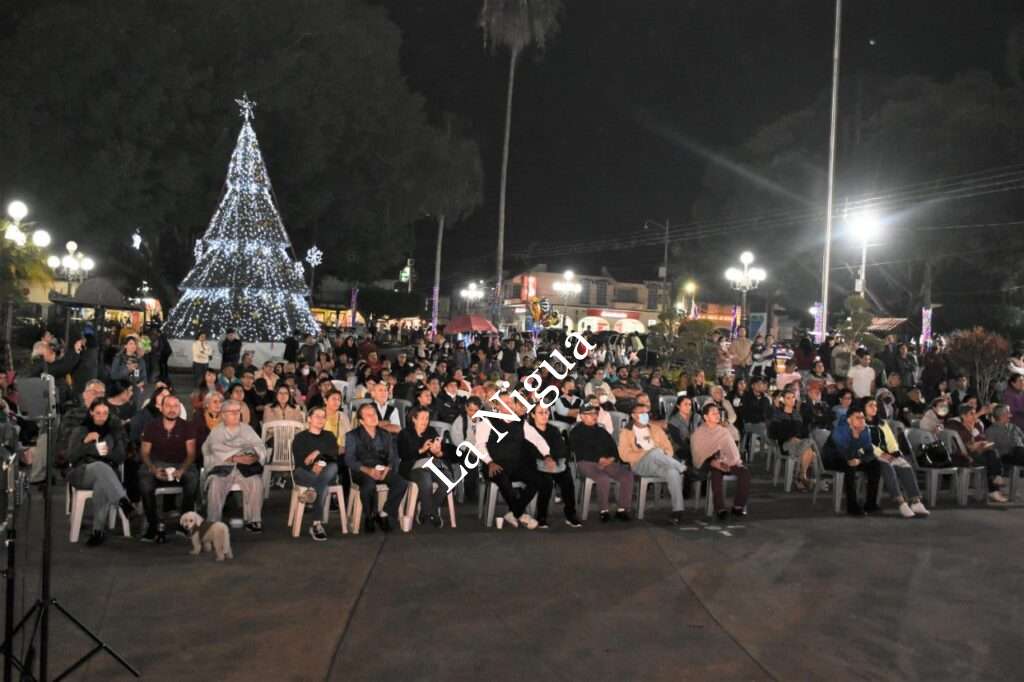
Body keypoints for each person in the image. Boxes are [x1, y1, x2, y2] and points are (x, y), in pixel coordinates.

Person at [67, 399, 135, 546]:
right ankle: (123, 501)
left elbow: (121, 457)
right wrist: (85, 442)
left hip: (108, 474)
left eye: (105, 413)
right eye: (98, 413)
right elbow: (71, 457)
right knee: (99, 466)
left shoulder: (114, 432)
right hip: (82, 472)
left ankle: (98, 532)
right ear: (91, 412)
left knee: (101, 482)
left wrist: (108, 453)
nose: (101, 417)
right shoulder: (80, 430)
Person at [471, 394, 544, 530]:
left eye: (510, 402)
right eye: (504, 402)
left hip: (515, 465)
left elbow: (537, 439)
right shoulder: (487, 421)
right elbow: (479, 445)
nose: (508, 405)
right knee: (502, 477)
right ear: (497, 406)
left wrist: (547, 455)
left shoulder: (520, 422)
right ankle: (521, 514)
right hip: (493, 465)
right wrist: (489, 462)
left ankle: (514, 512)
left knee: (538, 479)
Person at [139, 395, 199, 542]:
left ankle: (184, 524)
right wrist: (153, 469)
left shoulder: (187, 426)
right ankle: (153, 525)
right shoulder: (151, 426)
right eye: (168, 406)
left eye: (175, 406)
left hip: (180, 463)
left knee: (192, 479)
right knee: (145, 482)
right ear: (161, 408)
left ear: (179, 408)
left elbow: (191, 454)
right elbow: (145, 453)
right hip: (157, 463)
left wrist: (182, 470)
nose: (172, 409)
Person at [202, 399, 267, 532]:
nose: (236, 414)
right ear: (223, 415)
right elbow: (214, 449)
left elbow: (259, 446)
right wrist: (236, 457)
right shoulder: (217, 431)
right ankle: (213, 522)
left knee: (256, 482)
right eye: (232, 412)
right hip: (223, 467)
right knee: (215, 484)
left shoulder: (247, 429)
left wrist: (255, 456)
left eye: (238, 411)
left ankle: (254, 520)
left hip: (245, 468)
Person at [617, 402, 686, 524]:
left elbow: (669, 449)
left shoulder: (656, 429)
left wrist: (661, 454)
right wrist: (645, 453)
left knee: (672, 472)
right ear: (633, 416)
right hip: (639, 464)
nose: (645, 415)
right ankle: (682, 468)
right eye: (642, 413)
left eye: (647, 413)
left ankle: (678, 510)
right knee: (654, 451)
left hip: (659, 462)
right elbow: (624, 455)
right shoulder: (626, 432)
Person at [345, 404, 408, 533]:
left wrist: (388, 468)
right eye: (368, 415)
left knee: (401, 482)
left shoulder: (385, 434)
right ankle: (370, 516)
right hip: (362, 470)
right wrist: (368, 471)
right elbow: (349, 460)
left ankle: (385, 512)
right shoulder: (352, 435)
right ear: (361, 421)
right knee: (368, 485)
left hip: (382, 468)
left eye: (374, 413)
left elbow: (393, 457)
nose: (373, 417)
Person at [864, 398, 929, 518]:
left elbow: (891, 440)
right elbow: (865, 442)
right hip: (870, 455)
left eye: (875, 405)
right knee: (887, 466)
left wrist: (895, 453)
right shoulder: (860, 422)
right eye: (870, 405)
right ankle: (901, 502)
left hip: (887, 454)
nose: (874, 408)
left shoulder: (882, 423)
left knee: (905, 465)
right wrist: (881, 454)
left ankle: (916, 501)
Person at [571, 404, 633, 521]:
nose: (594, 416)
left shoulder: (602, 431)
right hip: (587, 462)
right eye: (590, 414)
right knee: (603, 478)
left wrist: (612, 458)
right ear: (582, 416)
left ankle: (622, 509)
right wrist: (598, 459)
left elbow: (613, 448)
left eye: (595, 413)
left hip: (607, 462)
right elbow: (579, 451)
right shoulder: (576, 432)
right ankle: (604, 510)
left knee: (627, 476)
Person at [691, 403, 752, 519]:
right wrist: (713, 461)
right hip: (708, 463)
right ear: (706, 417)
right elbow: (698, 454)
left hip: (728, 461)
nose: (717, 415)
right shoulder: (698, 433)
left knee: (745, 473)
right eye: (713, 413)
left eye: (718, 413)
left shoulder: (724, 431)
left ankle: (738, 506)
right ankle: (720, 508)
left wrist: (728, 461)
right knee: (716, 473)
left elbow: (732, 451)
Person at [291, 406, 341, 540]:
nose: (321, 419)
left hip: (326, 472)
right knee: (322, 485)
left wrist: (318, 455)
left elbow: (335, 453)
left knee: (333, 466)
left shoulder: (329, 436)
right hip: (304, 473)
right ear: (309, 419)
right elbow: (300, 461)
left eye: (323, 417)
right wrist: (312, 467)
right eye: (317, 416)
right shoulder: (300, 437)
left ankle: (316, 522)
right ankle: (316, 525)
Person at [822, 404, 881, 516]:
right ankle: (852, 506)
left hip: (852, 457)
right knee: (849, 466)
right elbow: (842, 452)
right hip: (832, 459)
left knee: (875, 464)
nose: (861, 420)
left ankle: (870, 503)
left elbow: (869, 452)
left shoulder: (865, 430)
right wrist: (855, 436)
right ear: (849, 420)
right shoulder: (840, 431)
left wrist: (860, 460)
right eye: (857, 418)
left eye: (863, 418)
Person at [529, 405, 580, 528]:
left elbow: (561, 449)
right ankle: (541, 516)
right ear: (533, 415)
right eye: (540, 412)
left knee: (567, 478)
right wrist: (545, 458)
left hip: (554, 463)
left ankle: (570, 514)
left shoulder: (553, 430)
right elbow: (529, 450)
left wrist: (554, 460)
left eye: (546, 412)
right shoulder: (529, 430)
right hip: (535, 464)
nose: (544, 415)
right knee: (546, 482)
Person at [397, 406, 449, 528]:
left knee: (447, 479)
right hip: (411, 467)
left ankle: (427, 510)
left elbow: (440, 452)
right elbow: (403, 455)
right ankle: (432, 513)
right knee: (425, 479)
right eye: (422, 418)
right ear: (414, 419)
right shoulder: (404, 433)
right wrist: (421, 450)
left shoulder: (431, 431)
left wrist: (437, 451)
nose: (425, 421)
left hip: (431, 465)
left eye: (427, 418)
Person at [944, 404, 1008, 503]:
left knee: (992, 453)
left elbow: (980, 439)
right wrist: (975, 443)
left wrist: (980, 442)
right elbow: (966, 445)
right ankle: (995, 484)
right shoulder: (954, 424)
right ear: (963, 416)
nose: (975, 416)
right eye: (972, 414)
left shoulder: (975, 425)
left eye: (975, 413)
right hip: (961, 457)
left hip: (975, 454)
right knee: (991, 458)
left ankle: (995, 482)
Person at [769, 390, 816, 491]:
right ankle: (801, 477)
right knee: (810, 450)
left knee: (808, 448)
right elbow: (773, 433)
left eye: (793, 397)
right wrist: (790, 437)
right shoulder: (778, 414)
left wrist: (797, 437)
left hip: (798, 443)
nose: (792, 400)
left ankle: (801, 477)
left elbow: (802, 431)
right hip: (784, 444)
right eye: (788, 398)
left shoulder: (796, 414)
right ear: (783, 400)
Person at [984, 404, 1024, 481]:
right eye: (1008, 413)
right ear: (1002, 416)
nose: (1011, 415)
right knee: (1018, 450)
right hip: (1006, 457)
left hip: (1021, 454)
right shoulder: (990, 431)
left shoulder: (1014, 427)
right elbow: (991, 450)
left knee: (1020, 450)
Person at [109, 336, 148, 403]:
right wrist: (127, 369)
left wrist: (141, 384)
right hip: (120, 391)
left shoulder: (140, 360)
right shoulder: (118, 358)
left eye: (135, 344)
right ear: (125, 346)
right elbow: (113, 376)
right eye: (130, 343)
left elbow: (144, 377)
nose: (133, 346)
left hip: (134, 392)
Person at [667, 395, 701, 464]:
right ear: (678, 406)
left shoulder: (696, 417)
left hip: (697, 444)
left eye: (690, 404)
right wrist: (693, 449)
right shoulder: (673, 421)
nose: (688, 407)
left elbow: (703, 432)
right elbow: (677, 441)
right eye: (685, 404)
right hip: (682, 448)